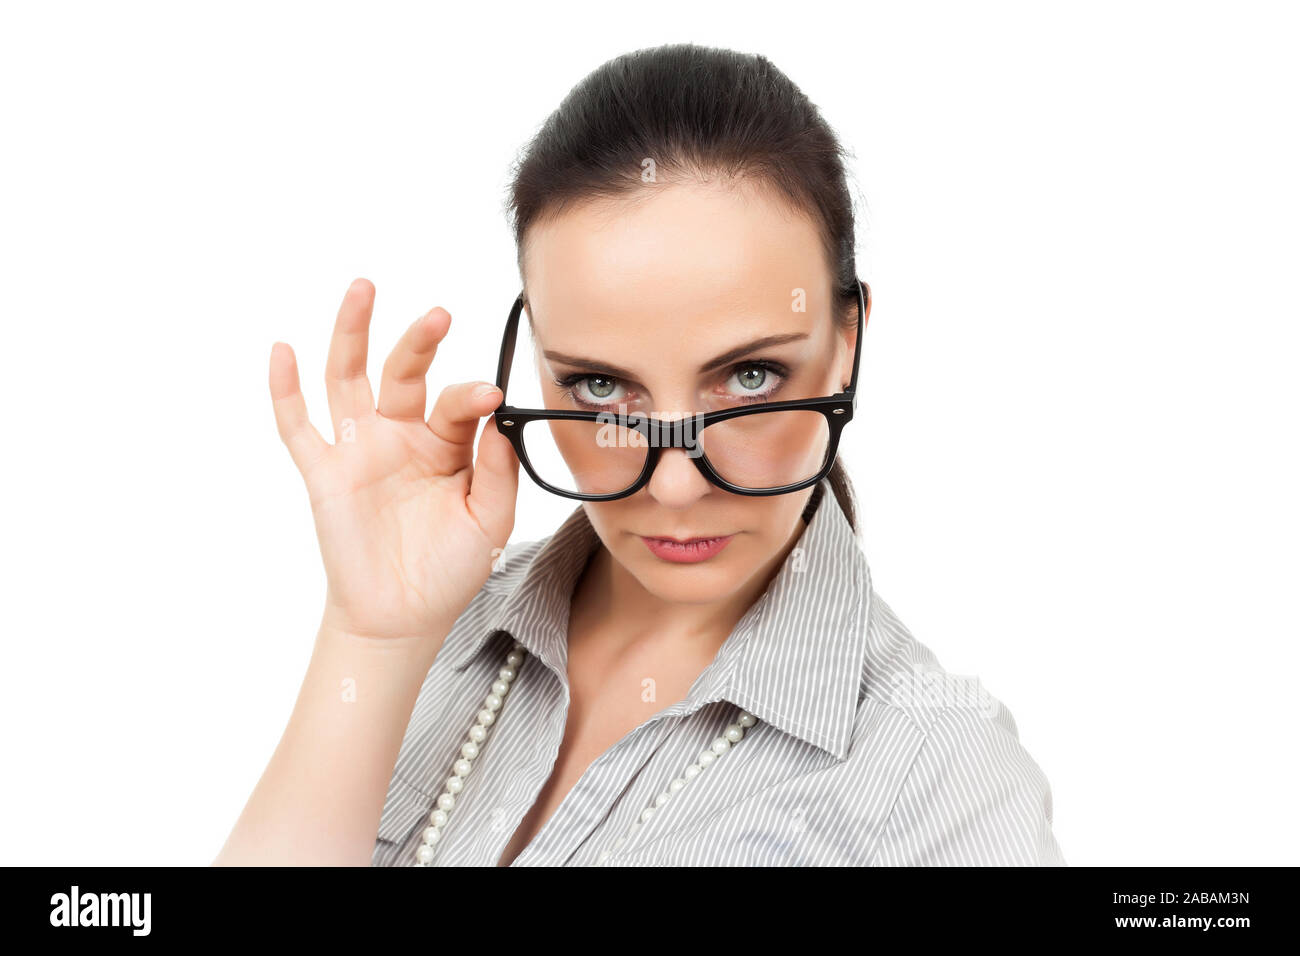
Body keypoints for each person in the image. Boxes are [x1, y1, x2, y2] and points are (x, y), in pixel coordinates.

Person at [214, 42, 1064, 867]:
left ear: (845, 344)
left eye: (751, 376)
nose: (678, 483)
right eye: (598, 387)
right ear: (537, 355)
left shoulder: (942, 781)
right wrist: (371, 636)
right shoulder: (444, 630)